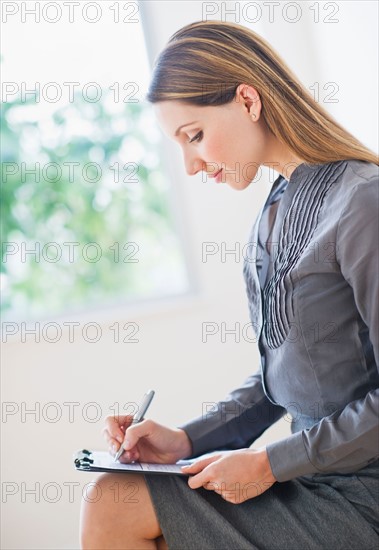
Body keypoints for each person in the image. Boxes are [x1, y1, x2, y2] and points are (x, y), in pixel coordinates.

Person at [80, 20, 379, 550]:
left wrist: (270, 462)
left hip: (362, 493)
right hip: (312, 476)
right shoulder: (275, 210)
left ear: (248, 99)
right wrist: (185, 440)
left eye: (194, 136)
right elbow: (286, 381)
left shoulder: (363, 203)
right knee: (118, 495)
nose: (192, 165)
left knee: (114, 506)